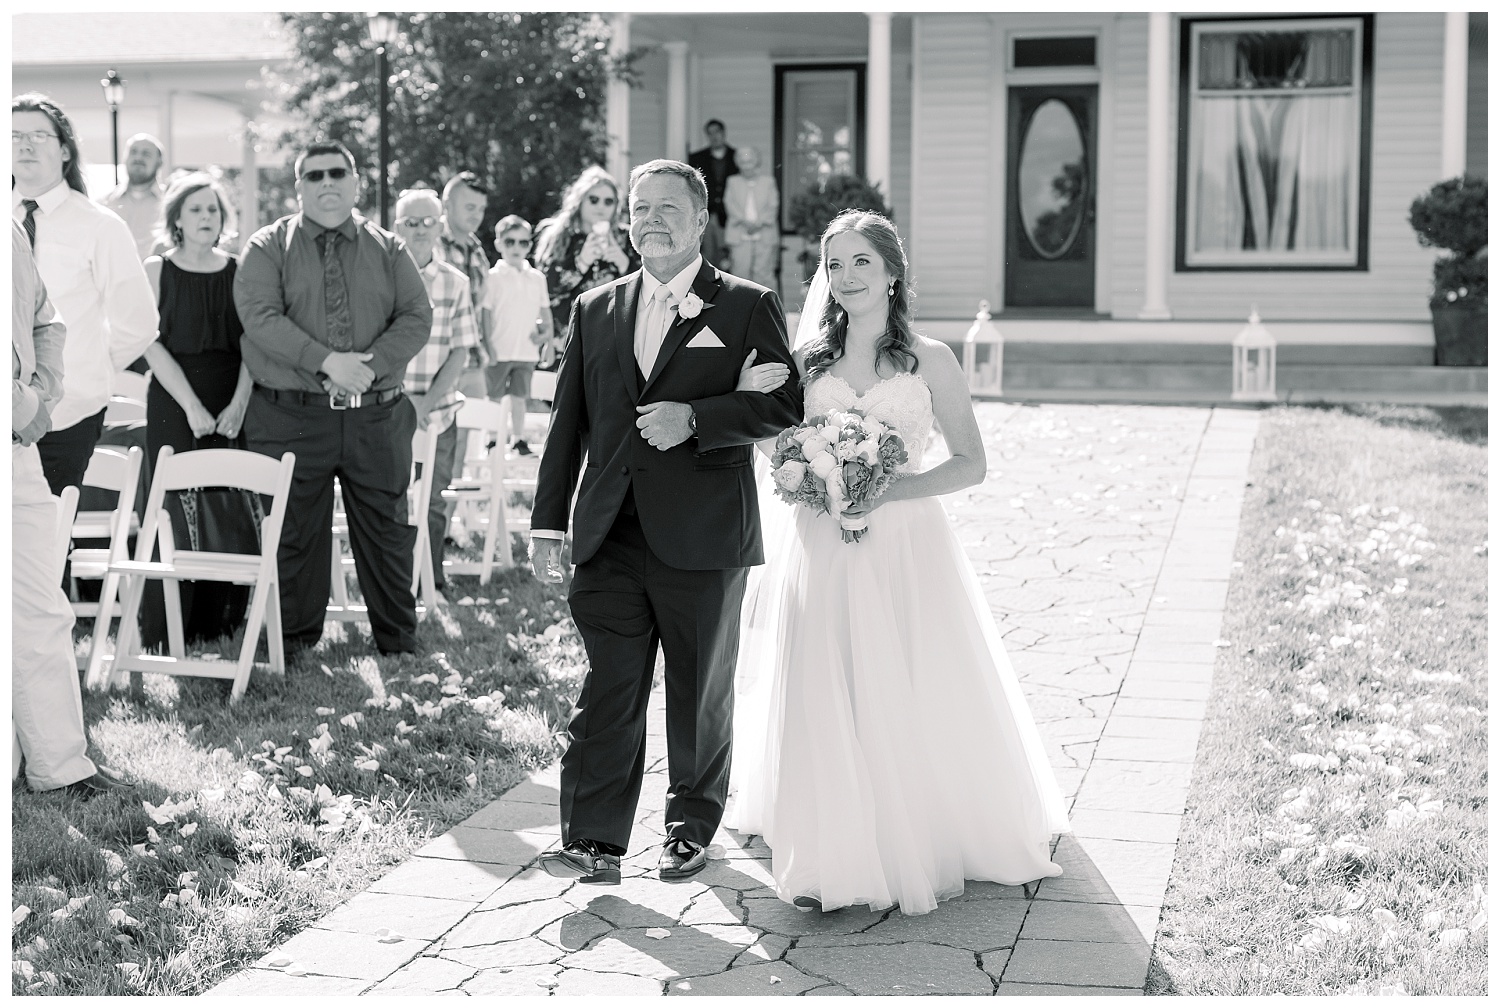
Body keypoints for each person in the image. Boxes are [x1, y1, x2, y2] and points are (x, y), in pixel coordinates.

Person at [726, 210, 1069, 916]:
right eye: (834, 264)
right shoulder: (808, 359)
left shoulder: (931, 360)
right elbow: (774, 443)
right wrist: (808, 473)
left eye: (860, 263)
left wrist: (885, 489)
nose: (845, 277)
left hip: (906, 546)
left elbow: (972, 464)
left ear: (892, 272)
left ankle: (915, 827)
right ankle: (831, 848)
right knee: (825, 679)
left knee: (905, 677)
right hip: (822, 544)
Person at [531, 159, 802, 886]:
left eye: (665, 209)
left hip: (704, 533)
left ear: (700, 218)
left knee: (697, 687)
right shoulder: (595, 309)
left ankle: (689, 827)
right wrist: (546, 525)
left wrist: (699, 418)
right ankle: (592, 839)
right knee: (609, 683)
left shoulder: (745, 306)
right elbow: (567, 426)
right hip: (609, 532)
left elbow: (784, 406)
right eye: (637, 208)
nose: (648, 220)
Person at [233, 140, 432, 657]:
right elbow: (258, 316)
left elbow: (416, 316)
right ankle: (295, 642)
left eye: (337, 173)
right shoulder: (267, 246)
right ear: (298, 186)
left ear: (355, 182)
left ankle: (397, 639)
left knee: (387, 528)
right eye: (313, 175)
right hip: (290, 416)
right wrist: (327, 361)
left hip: (377, 415)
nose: (326, 183)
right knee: (295, 531)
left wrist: (364, 369)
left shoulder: (389, 248)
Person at [12, 219, 137, 797]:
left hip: (18, 449)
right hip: (16, 425)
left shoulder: (10, 224)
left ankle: (60, 767)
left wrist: (41, 393)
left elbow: (46, 319)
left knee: (42, 607)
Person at [11, 92, 158, 496]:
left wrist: (83, 369)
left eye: (38, 135)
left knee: (51, 546)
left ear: (64, 151)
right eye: (13, 134)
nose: (24, 144)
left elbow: (139, 324)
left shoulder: (100, 226)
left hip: (67, 413)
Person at [138, 173, 254, 650]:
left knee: (225, 502)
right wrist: (191, 406)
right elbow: (148, 342)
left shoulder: (241, 269)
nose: (207, 217)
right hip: (172, 399)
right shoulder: (155, 270)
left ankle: (220, 622)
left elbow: (255, 343)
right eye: (197, 209)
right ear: (177, 220)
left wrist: (240, 405)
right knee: (172, 505)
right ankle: (168, 627)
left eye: (214, 209)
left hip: (232, 398)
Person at [394, 188, 481, 593]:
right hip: (389, 409)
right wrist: (402, 401)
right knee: (391, 496)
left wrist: (425, 403)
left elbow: (461, 350)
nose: (420, 230)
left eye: (428, 221)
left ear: (440, 226)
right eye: (411, 222)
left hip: (438, 411)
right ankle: (394, 578)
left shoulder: (455, 282)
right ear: (397, 226)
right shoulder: (380, 277)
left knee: (432, 499)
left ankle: (430, 575)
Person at [532, 166, 639, 379]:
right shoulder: (559, 234)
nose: (601, 206)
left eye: (608, 201)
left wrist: (625, 263)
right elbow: (544, 289)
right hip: (564, 340)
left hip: (611, 343)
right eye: (594, 199)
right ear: (579, 200)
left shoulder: (628, 237)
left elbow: (650, 285)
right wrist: (580, 263)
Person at [480, 214, 552, 456]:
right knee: (494, 396)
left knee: (520, 397)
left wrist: (547, 341)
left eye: (523, 242)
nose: (516, 248)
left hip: (526, 351)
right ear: (499, 243)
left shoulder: (537, 278)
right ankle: (491, 438)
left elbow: (545, 312)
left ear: (530, 246)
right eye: (510, 241)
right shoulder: (492, 277)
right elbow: (486, 314)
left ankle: (518, 439)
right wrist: (487, 344)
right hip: (499, 349)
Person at [99, 133, 168, 261]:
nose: (138, 158)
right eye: (133, 152)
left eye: (146, 154)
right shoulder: (103, 204)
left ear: (159, 162)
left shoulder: (172, 204)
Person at [722, 146, 780, 291]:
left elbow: (773, 205)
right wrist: (744, 221)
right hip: (740, 232)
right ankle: (741, 311)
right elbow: (729, 203)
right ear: (737, 163)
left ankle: (767, 310)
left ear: (757, 162)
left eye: (750, 161)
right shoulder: (732, 181)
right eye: (742, 162)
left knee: (764, 275)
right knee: (739, 274)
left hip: (764, 233)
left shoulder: (768, 181)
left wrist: (759, 223)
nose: (746, 166)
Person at [688, 119, 737, 268]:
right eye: (710, 133)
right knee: (708, 256)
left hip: (729, 216)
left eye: (717, 132)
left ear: (724, 133)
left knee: (728, 257)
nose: (714, 136)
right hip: (706, 214)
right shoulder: (697, 158)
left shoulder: (736, 156)